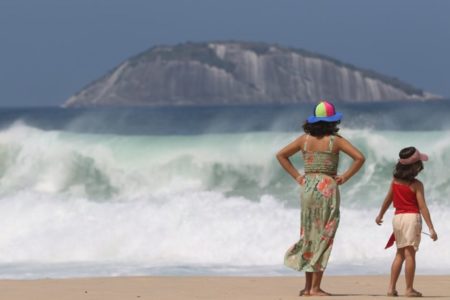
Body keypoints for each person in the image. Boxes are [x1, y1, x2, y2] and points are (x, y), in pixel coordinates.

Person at [276, 101, 365, 296]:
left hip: (307, 187)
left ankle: (308, 287)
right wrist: (345, 177)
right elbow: (360, 157)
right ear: (332, 122)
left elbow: (281, 155)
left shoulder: (304, 140)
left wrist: (298, 177)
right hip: (327, 188)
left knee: (309, 234)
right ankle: (315, 288)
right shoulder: (336, 140)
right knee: (325, 235)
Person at [375, 147, 438, 297]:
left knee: (399, 254)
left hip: (397, 219)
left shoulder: (395, 182)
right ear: (414, 167)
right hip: (411, 219)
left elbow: (388, 200)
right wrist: (431, 228)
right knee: (410, 255)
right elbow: (422, 207)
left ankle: (391, 288)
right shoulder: (416, 185)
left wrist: (380, 215)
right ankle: (409, 289)